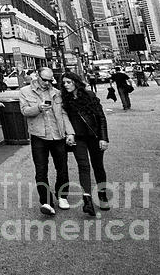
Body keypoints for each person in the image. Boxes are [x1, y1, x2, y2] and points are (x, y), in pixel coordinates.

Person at [20, 67, 71, 216]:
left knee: (62, 168)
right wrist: (38, 108)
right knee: (41, 170)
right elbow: (24, 111)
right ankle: (46, 201)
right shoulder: (25, 91)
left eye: (50, 80)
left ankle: (62, 196)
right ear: (37, 76)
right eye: (44, 79)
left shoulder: (57, 92)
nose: (47, 83)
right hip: (39, 136)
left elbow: (63, 113)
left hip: (57, 135)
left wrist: (70, 133)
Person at [60, 72, 110, 215]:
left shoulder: (90, 96)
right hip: (78, 138)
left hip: (94, 136)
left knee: (98, 166)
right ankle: (87, 200)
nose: (66, 85)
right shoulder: (65, 100)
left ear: (76, 82)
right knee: (83, 166)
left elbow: (101, 117)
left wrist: (103, 138)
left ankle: (102, 195)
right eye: (64, 83)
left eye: (68, 82)